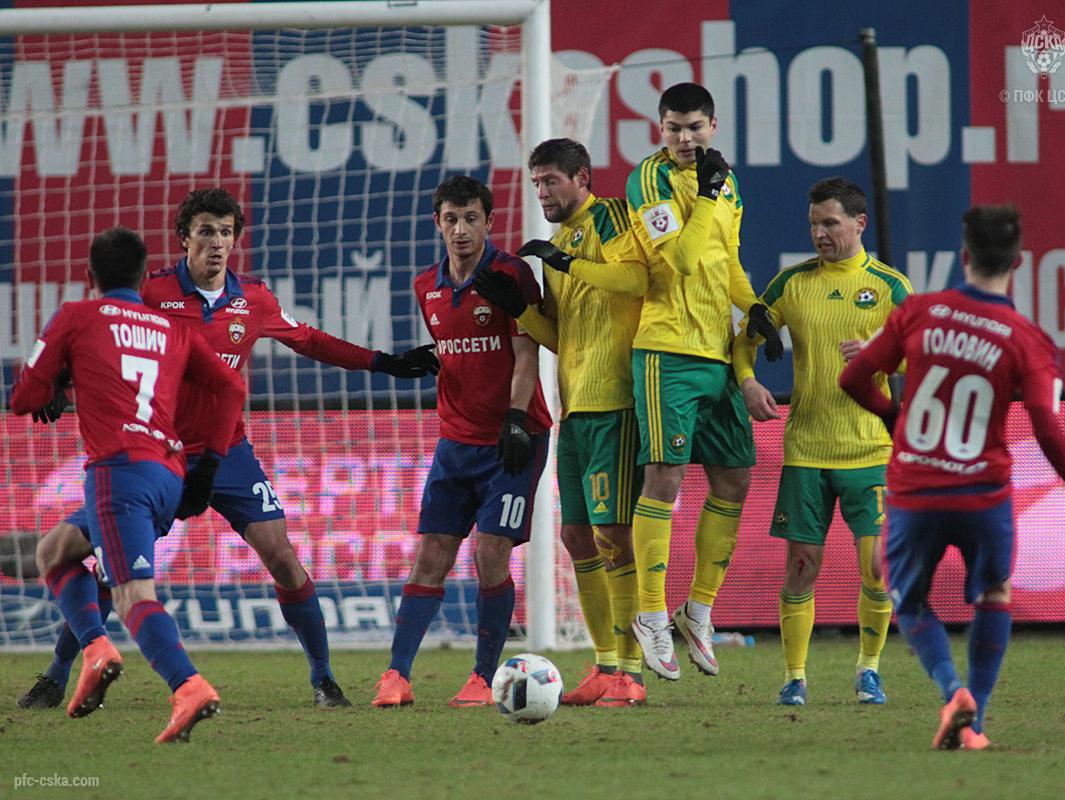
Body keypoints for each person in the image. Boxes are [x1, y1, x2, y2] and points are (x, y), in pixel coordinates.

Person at [17, 188, 439, 711]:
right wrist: (60, 383)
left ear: (235, 239)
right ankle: (58, 675)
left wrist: (381, 362)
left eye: (225, 232)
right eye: (205, 232)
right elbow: (103, 337)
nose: (216, 243)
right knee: (108, 564)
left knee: (282, 557)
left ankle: (324, 678)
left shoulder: (253, 300)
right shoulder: (153, 292)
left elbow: (309, 340)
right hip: (160, 453)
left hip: (228, 454)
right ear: (184, 238)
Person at [840, 205, 1065, 749]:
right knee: (994, 593)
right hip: (983, 492)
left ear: (963, 256)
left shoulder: (919, 312)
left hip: (916, 487)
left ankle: (951, 690)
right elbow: (1047, 426)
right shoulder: (1027, 338)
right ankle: (974, 722)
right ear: (1018, 261)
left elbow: (854, 378)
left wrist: (895, 418)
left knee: (908, 599)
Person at [10, 226, 246, 742]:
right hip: (169, 474)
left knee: (131, 594)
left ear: (90, 275)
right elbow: (232, 386)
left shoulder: (77, 316)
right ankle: (94, 650)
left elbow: (23, 398)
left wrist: (57, 380)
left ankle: (188, 686)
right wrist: (209, 467)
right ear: (143, 279)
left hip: (118, 472)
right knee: (54, 551)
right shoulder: (171, 328)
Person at [474, 138, 648, 706]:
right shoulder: (558, 244)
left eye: (551, 180)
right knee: (577, 535)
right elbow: (559, 336)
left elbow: (635, 280)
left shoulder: (611, 217)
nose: (542, 192)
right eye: (536, 183)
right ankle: (605, 664)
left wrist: (567, 262)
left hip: (617, 400)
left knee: (614, 535)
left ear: (582, 178)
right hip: (575, 406)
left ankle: (631, 672)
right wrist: (520, 309)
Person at [371, 176, 551, 708]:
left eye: (471, 218)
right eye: (451, 219)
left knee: (491, 552)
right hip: (455, 442)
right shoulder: (425, 285)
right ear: (438, 223)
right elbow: (457, 351)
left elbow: (527, 353)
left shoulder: (511, 275)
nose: (461, 229)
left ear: (489, 221)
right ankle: (396, 676)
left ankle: (482, 677)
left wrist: (515, 418)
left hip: (514, 439)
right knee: (431, 553)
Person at [623, 82, 780, 680]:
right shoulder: (649, 180)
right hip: (666, 350)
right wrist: (709, 194)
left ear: (713, 125)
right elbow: (683, 260)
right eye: (673, 128)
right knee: (664, 477)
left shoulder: (726, 182)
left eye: (694, 127)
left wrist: (754, 305)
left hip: (717, 352)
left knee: (735, 477)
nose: (685, 139)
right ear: (660, 129)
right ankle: (650, 615)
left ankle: (698, 610)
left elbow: (725, 261)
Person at [734, 177, 911, 706]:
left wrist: (882, 354)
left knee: (877, 568)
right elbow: (745, 339)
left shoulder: (890, 286)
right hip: (807, 451)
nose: (819, 234)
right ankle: (795, 677)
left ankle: (869, 670)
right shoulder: (791, 284)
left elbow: (924, 351)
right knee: (801, 567)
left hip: (870, 451)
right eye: (814, 224)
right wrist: (748, 381)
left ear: (859, 223)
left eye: (830, 223)